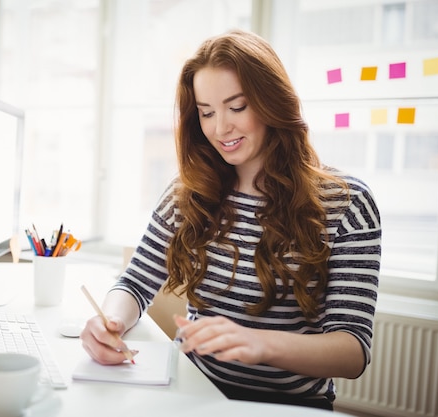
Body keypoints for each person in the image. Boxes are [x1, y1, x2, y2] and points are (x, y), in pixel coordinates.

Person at [80, 29, 381, 411]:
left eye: (237, 107)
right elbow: (135, 283)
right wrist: (110, 321)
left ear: (272, 102)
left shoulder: (347, 203)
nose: (220, 128)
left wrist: (259, 343)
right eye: (206, 113)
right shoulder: (187, 193)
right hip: (192, 394)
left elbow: (352, 351)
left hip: (286, 406)